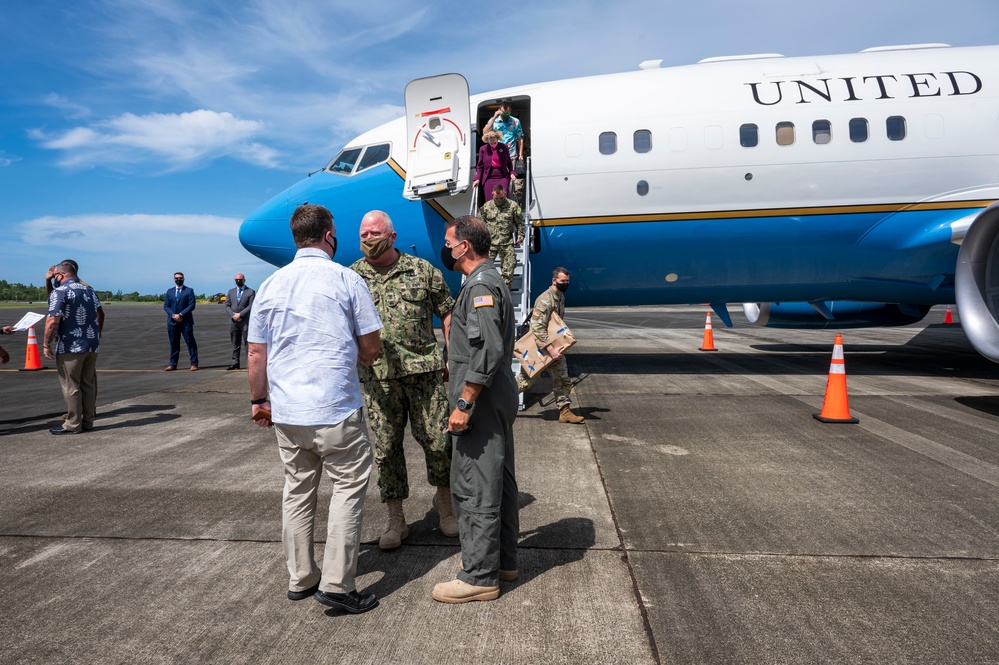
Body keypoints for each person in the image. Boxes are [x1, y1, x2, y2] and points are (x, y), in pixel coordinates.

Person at [247, 204, 383, 614]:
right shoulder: (347, 278)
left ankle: (301, 577)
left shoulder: (270, 284)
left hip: (288, 412)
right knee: (347, 488)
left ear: (295, 238)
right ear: (329, 236)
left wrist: (259, 400)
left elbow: (256, 352)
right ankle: (339, 586)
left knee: (298, 490)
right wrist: (359, 355)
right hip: (335, 407)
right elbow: (371, 346)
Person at [349, 210, 458, 550]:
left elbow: (447, 310)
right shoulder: (351, 276)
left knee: (439, 442)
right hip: (378, 380)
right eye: (364, 234)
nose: (369, 239)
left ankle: (445, 504)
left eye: (375, 233)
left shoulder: (422, 270)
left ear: (392, 236)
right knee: (386, 449)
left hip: (424, 374)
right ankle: (396, 519)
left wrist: (451, 354)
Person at [432, 216, 519, 604]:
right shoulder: (486, 281)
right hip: (492, 395)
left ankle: (480, 575)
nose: (446, 249)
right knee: (497, 477)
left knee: (475, 483)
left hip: (479, 401)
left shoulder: (480, 285)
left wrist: (464, 403)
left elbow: (487, 350)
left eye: (449, 242)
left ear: (464, 246)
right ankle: (502, 561)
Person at [42, 260, 105, 435]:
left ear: (60, 275)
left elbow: (52, 320)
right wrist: (96, 334)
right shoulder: (90, 291)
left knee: (71, 385)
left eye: (55, 276)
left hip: (71, 346)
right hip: (91, 345)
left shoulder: (60, 292)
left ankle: (73, 424)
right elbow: (101, 314)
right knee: (88, 384)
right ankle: (88, 421)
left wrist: (46, 344)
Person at [516, 268, 585, 424]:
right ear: (554, 281)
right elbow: (537, 328)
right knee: (525, 382)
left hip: (553, 347)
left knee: (562, 378)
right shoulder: (545, 300)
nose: (565, 284)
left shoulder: (560, 297)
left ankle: (565, 411)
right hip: (541, 348)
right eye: (562, 281)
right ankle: (498, 402)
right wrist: (550, 349)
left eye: (567, 281)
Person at [480, 184, 524, 289]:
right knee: (483, 268)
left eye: (501, 198)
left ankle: (505, 293)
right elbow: (480, 224)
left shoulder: (513, 206)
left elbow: (519, 223)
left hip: (507, 242)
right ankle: (487, 289)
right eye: (496, 198)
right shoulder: (486, 207)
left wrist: (520, 236)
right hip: (490, 243)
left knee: (509, 269)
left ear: (504, 192)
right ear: (492, 194)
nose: (499, 200)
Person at [484, 100, 526, 203]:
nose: (506, 115)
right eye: (504, 113)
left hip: (512, 157)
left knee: (515, 186)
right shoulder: (495, 121)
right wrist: (494, 117)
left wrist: (520, 154)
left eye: (508, 113)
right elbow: (485, 132)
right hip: (498, 159)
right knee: (501, 186)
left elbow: (520, 137)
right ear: (499, 111)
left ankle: (515, 208)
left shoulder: (515, 121)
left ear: (510, 111)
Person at [163, 272, 198, 371]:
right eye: (176, 278)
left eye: (180, 278)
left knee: (190, 343)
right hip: (172, 322)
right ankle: (172, 364)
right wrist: (173, 315)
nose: (178, 279)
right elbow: (166, 306)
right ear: (174, 279)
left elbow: (192, 305)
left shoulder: (189, 291)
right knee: (173, 343)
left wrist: (181, 314)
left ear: (184, 279)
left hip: (185, 321)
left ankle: (194, 363)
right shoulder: (169, 291)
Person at [472, 130, 515, 209]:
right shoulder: (483, 149)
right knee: (490, 201)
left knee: (502, 199)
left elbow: (509, 162)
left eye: (495, 143)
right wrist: (477, 178)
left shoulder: (504, 147)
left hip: (502, 176)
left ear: (498, 139)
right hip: (489, 177)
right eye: (490, 143)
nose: (493, 145)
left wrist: (512, 172)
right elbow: (480, 166)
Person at [225, 273, 255, 370]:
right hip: (233, 321)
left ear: (244, 280)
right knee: (235, 343)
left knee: (247, 342)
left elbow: (251, 306)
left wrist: (240, 314)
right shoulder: (231, 292)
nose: (238, 281)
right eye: (236, 280)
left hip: (245, 321)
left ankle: (250, 363)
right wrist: (233, 315)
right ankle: (235, 362)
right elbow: (227, 305)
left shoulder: (250, 292)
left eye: (240, 279)